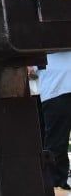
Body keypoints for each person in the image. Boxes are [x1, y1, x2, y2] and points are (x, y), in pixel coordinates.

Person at [38, 51, 71, 190]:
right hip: (55, 90)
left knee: (56, 142)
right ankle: (55, 182)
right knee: (56, 142)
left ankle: (57, 182)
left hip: (54, 90)